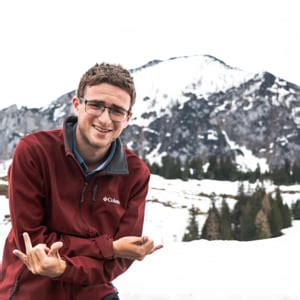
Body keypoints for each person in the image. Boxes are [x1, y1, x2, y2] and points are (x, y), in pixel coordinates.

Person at [0, 63, 162, 300]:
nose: (105, 119)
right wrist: (110, 247)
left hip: (92, 290)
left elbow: (122, 258)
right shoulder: (34, 152)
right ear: (77, 105)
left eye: (117, 111)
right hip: (31, 286)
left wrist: (66, 269)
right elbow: (33, 241)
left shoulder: (136, 174)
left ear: (128, 118)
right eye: (96, 105)